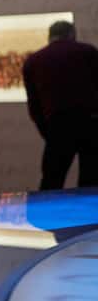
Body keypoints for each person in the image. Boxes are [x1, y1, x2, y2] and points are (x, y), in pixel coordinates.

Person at [22, 20, 98, 190]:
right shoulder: (88, 52)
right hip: (91, 122)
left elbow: (34, 106)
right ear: (72, 34)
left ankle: (47, 208)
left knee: (52, 179)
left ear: (50, 37)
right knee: (91, 181)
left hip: (58, 124)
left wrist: (47, 131)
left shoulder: (33, 61)